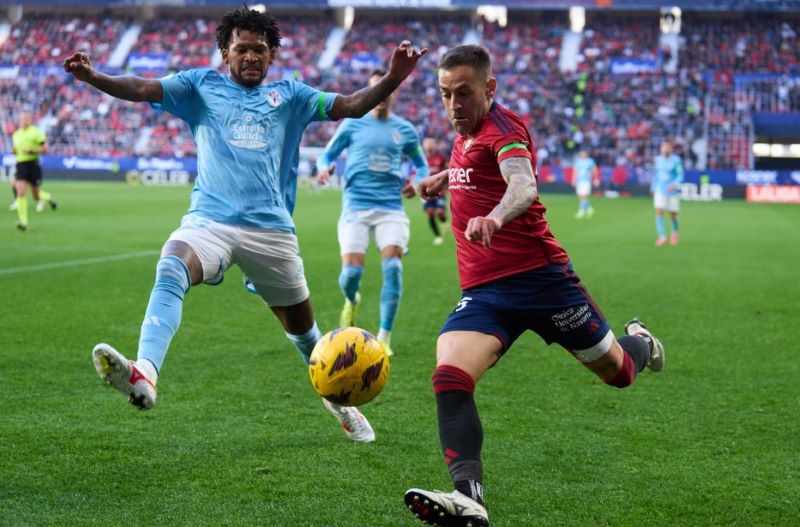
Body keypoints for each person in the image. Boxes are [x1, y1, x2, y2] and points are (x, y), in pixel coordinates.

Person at [63, 7, 426, 443]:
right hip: (210, 222)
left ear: (272, 55)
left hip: (271, 231)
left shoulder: (292, 96)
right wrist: (94, 77)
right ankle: (145, 374)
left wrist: (393, 78)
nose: (250, 56)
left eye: (259, 50)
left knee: (305, 334)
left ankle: (340, 403)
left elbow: (349, 105)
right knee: (172, 262)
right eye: (241, 49)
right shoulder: (199, 86)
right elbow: (142, 87)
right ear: (224, 52)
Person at [403, 45, 665, 527]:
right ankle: (469, 498)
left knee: (619, 372)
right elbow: (473, 168)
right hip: (485, 292)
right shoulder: (465, 133)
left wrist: (495, 217)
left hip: (543, 283)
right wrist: (444, 177)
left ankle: (642, 341)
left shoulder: (505, 128)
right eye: (445, 95)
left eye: (464, 93)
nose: (454, 104)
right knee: (449, 377)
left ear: (490, 88)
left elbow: (522, 185)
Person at [315, 68, 429, 357]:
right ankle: (351, 300)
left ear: (394, 92)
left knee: (393, 266)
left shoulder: (405, 129)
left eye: (386, 89)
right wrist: (323, 168)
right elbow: (326, 154)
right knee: (351, 274)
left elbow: (422, 165)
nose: (380, 96)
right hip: (356, 206)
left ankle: (384, 336)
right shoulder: (352, 125)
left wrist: (417, 183)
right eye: (374, 90)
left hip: (391, 207)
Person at [10, 111, 57, 230]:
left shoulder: (36, 132)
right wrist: (14, 151)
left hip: (33, 164)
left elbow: (46, 149)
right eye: (21, 119)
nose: (23, 121)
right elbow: (15, 149)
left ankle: (49, 198)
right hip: (21, 164)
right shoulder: (16, 134)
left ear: (30, 120)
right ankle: (23, 222)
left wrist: (32, 150)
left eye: (25, 119)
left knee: (36, 196)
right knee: (20, 191)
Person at [651, 140, 684, 246]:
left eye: (667, 147)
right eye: (663, 147)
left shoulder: (676, 160)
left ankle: (674, 233)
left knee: (673, 214)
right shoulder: (658, 160)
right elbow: (655, 175)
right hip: (660, 189)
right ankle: (662, 236)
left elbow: (680, 174)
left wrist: (675, 183)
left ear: (671, 149)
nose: (665, 149)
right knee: (659, 211)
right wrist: (653, 187)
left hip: (672, 191)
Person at [421, 137, 448, 245]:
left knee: (440, 213)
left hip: (439, 191)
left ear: (435, 145)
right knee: (430, 212)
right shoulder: (421, 159)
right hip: (425, 191)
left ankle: (444, 221)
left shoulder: (441, 158)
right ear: (423, 145)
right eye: (427, 143)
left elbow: (448, 170)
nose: (429, 145)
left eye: (431, 143)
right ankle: (438, 236)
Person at [573, 149, 598, 219]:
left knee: (583, 196)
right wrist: (574, 180)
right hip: (579, 181)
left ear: (586, 154)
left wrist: (596, 179)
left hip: (586, 181)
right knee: (581, 196)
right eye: (581, 154)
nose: (582, 155)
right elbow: (575, 171)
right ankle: (590, 209)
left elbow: (594, 170)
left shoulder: (590, 161)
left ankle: (581, 211)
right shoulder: (578, 161)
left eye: (583, 154)